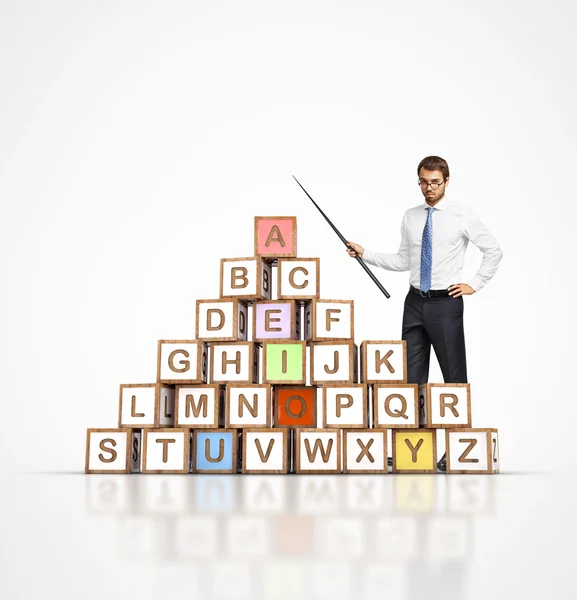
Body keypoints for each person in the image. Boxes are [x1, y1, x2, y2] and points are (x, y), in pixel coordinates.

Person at [346, 156, 503, 471]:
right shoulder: (411, 216)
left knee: (453, 381)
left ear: (446, 181)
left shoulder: (461, 215)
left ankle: (456, 449)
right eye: (423, 181)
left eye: (434, 182)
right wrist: (367, 255)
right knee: (411, 381)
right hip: (414, 303)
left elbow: (493, 251)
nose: (428, 188)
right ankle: (411, 450)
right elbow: (404, 259)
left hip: (446, 305)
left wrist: (474, 284)